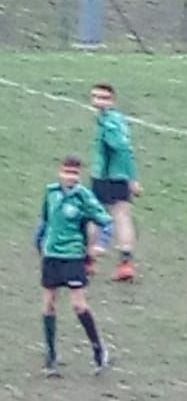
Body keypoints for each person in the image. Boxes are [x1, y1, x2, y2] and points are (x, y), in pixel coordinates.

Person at [35, 157, 111, 376]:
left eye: (75, 173)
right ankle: (50, 357)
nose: (71, 177)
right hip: (51, 256)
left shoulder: (84, 197)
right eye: (67, 172)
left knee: (78, 305)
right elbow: (46, 220)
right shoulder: (51, 193)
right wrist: (38, 241)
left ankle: (98, 349)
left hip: (73, 256)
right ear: (59, 172)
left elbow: (106, 222)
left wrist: (100, 246)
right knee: (49, 304)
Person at [91, 83, 140, 283]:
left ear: (112, 100)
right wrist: (132, 178)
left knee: (95, 215)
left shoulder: (108, 123)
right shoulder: (120, 120)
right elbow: (128, 150)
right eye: (95, 97)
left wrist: (129, 178)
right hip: (121, 176)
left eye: (103, 98)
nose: (98, 101)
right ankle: (126, 262)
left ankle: (89, 261)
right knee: (123, 217)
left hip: (106, 176)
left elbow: (118, 147)